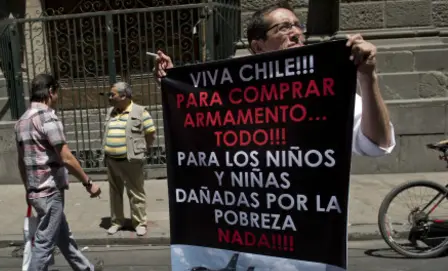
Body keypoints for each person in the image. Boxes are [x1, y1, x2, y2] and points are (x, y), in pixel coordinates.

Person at [153, 1, 395, 158]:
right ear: (258, 47)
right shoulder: (234, 92)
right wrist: (174, 81)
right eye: (283, 27)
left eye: (297, 26)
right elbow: (199, 124)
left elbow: (376, 144)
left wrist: (367, 76)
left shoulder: (327, 88)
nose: (296, 32)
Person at [15, 73, 104, 271]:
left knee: (62, 234)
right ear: (51, 92)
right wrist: (88, 182)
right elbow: (65, 156)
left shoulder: (22, 120)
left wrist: (28, 188)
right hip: (50, 189)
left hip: (36, 189)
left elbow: (20, 161)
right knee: (45, 241)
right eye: (57, 92)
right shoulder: (47, 118)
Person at [102, 81, 156, 236]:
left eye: (112, 94)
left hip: (131, 160)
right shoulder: (110, 112)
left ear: (124, 96)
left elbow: (151, 133)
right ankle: (116, 222)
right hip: (112, 160)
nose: (109, 97)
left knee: (136, 192)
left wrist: (143, 149)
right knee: (115, 193)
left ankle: (139, 223)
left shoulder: (140, 112)